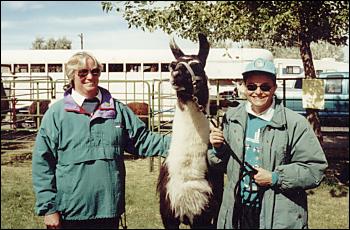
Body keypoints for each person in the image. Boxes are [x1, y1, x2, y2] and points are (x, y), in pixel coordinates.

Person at [32, 51, 171, 229]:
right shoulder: (56, 115)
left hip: (109, 211)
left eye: (95, 72)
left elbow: (143, 140)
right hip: (70, 213)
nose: (90, 77)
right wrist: (49, 208)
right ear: (72, 76)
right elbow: (42, 163)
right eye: (83, 72)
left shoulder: (117, 111)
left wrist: (187, 143)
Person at [209, 58, 328, 229]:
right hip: (238, 212)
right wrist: (218, 149)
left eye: (265, 87)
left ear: (274, 88)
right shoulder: (232, 118)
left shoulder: (294, 123)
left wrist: (275, 177)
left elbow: (315, 169)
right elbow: (222, 164)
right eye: (251, 86)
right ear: (244, 87)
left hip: (277, 215)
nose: (258, 92)